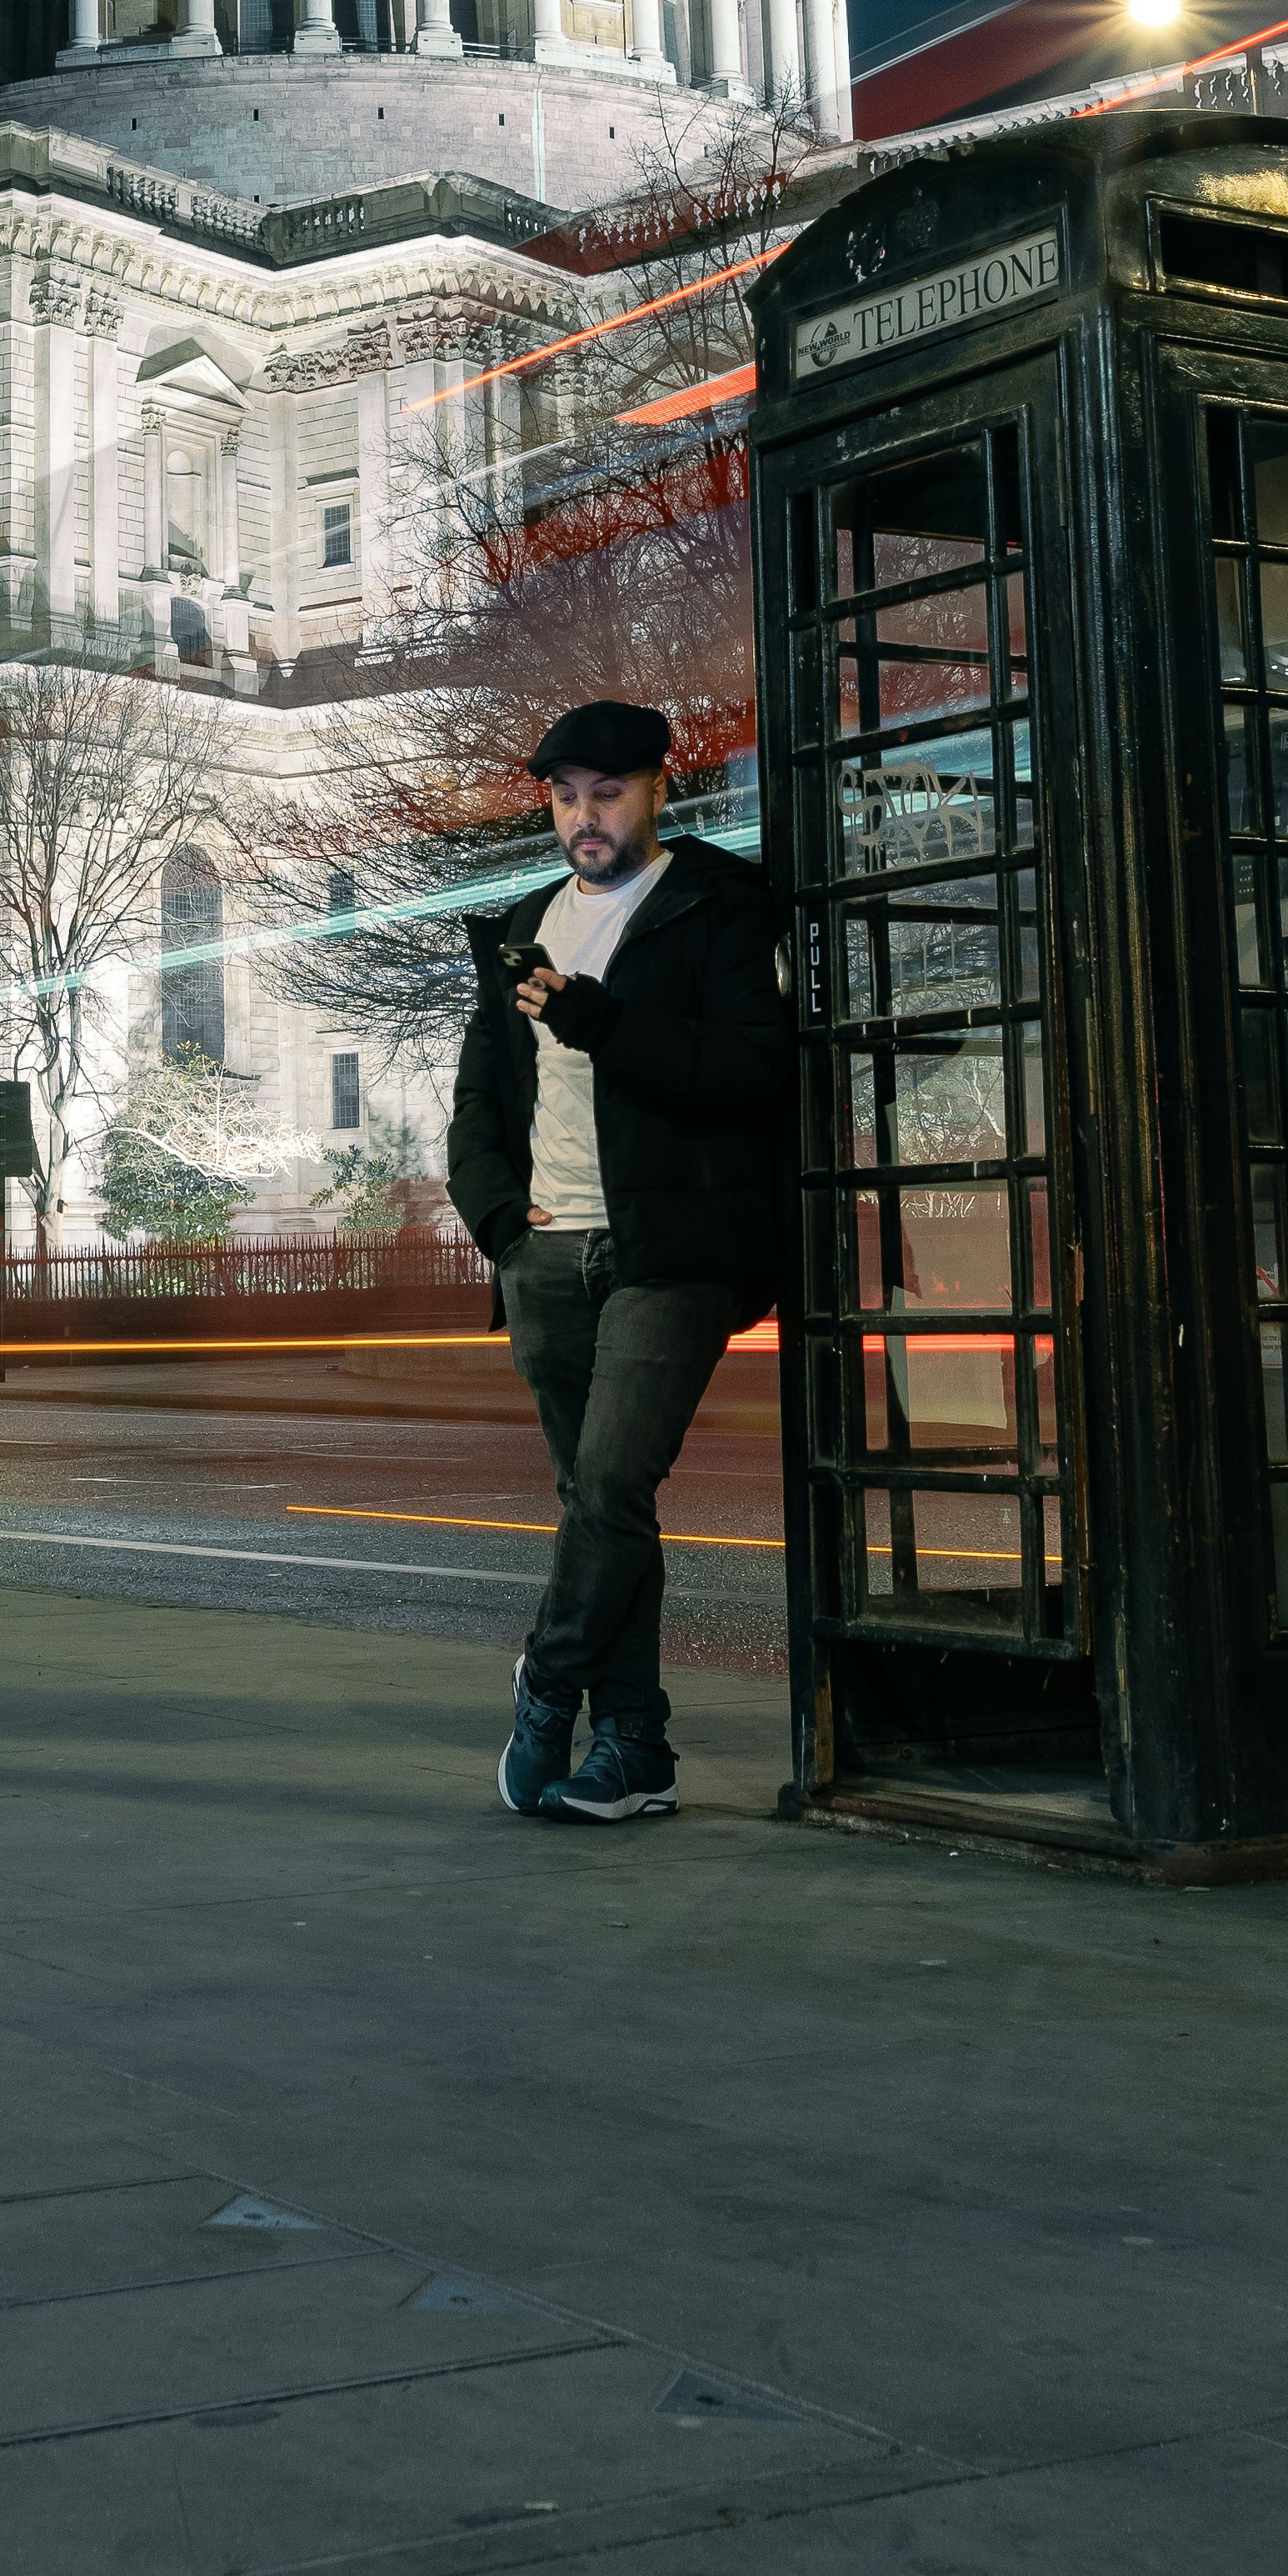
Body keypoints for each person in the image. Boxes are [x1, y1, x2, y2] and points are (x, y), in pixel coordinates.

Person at [449, 698, 792, 1826]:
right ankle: (636, 1749)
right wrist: (501, 1222)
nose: (585, 818)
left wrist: (600, 1020)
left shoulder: (720, 906)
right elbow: (481, 1102)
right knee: (603, 1511)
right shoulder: (521, 923)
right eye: (565, 797)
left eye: (607, 793)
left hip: (670, 1251)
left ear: (657, 791)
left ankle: (547, 1689)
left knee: (609, 1487)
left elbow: (748, 1074)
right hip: (545, 1255)